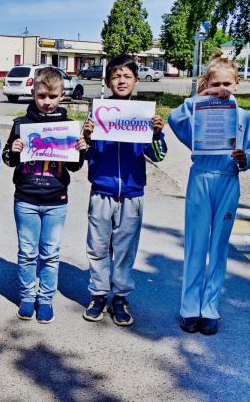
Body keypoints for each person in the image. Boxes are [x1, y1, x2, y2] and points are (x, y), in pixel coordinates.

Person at [168, 53, 250, 336]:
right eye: (215, 83)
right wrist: (199, 98)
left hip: (228, 180)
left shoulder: (243, 117)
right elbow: (174, 119)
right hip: (201, 178)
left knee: (218, 247)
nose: (221, 89)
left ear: (237, 84)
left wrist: (246, 158)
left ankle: (209, 309)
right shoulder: (197, 112)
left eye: (227, 84)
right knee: (196, 245)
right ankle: (189, 309)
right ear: (206, 83)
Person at [81, 54, 166, 326]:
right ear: (107, 82)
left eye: (127, 76)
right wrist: (87, 138)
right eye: (116, 76)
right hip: (102, 191)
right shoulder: (96, 113)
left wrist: (155, 135)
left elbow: (159, 155)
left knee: (125, 249)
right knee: (97, 247)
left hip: (132, 194)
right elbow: (82, 153)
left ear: (136, 81)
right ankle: (98, 294)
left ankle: (120, 297)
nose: (121, 81)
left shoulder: (144, 115)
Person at [2, 68, 87, 323]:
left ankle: (46, 299)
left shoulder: (67, 126)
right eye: (41, 96)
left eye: (52, 96)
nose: (46, 102)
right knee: (27, 252)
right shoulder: (21, 124)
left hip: (56, 201)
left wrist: (81, 150)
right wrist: (14, 150)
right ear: (33, 93)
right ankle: (27, 297)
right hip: (26, 199)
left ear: (62, 95)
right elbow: (7, 159)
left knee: (50, 253)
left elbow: (74, 166)